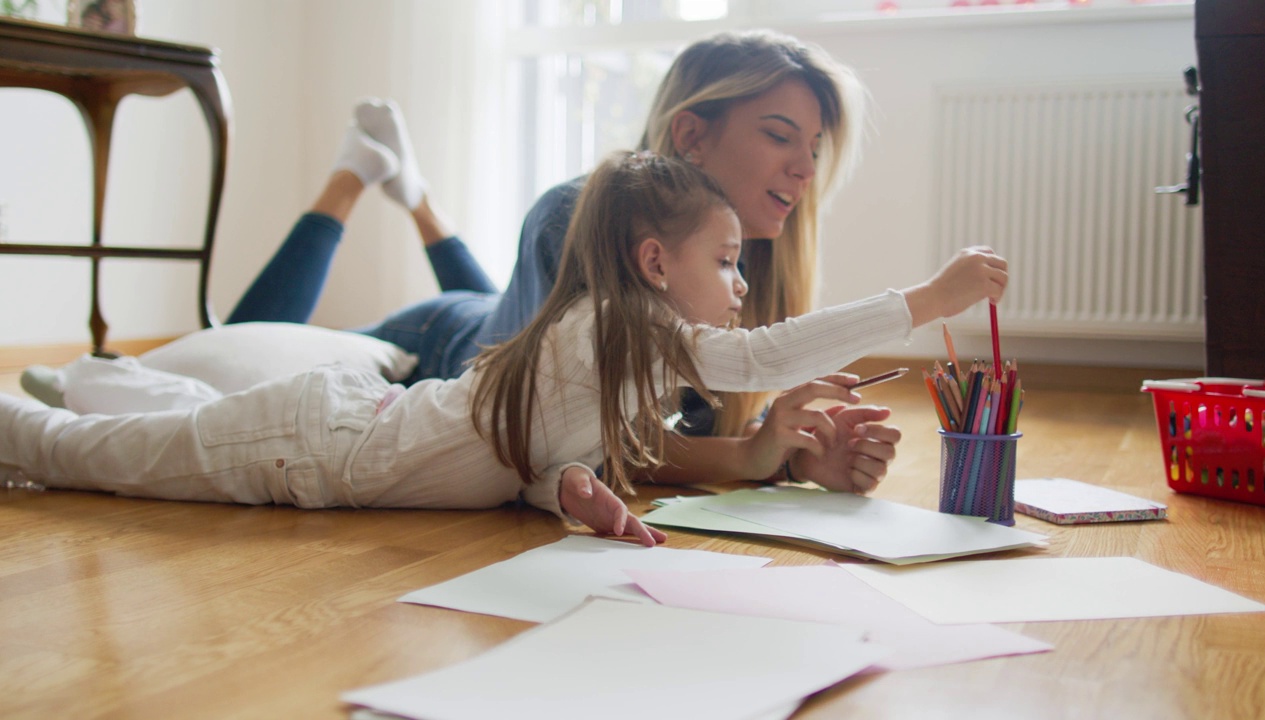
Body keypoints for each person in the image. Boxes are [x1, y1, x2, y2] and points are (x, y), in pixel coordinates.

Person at [0, 153, 1008, 546]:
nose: (741, 287)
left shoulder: (615, 363)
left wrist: (577, 493)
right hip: (306, 448)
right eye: (727, 260)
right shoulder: (627, 327)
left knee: (158, 427)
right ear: (654, 263)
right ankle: (26, 414)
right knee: (88, 460)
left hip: (327, 434)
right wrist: (925, 300)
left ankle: (96, 380)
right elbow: (756, 360)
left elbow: (526, 454)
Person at [222, 30, 905, 494]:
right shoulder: (573, 217)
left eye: (814, 148)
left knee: (506, 307)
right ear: (691, 134)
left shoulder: (752, 262)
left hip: (504, 318)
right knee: (239, 351)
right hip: (441, 343)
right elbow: (586, 436)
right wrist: (754, 458)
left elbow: (706, 422)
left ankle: (418, 200)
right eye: (781, 135)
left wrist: (801, 455)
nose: (805, 169)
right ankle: (351, 180)